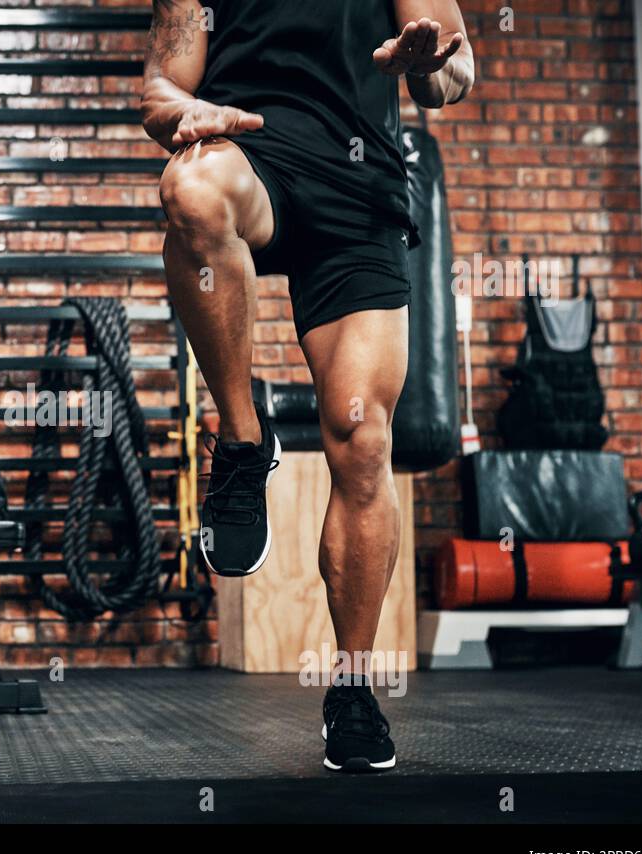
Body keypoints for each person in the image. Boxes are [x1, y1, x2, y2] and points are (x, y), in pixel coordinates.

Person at [141, 0, 473, 771]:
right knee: (190, 190)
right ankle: (241, 434)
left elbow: (457, 70)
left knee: (362, 441)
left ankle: (353, 689)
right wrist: (186, 114)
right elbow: (161, 84)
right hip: (251, 154)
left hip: (360, 195)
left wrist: (430, 68)